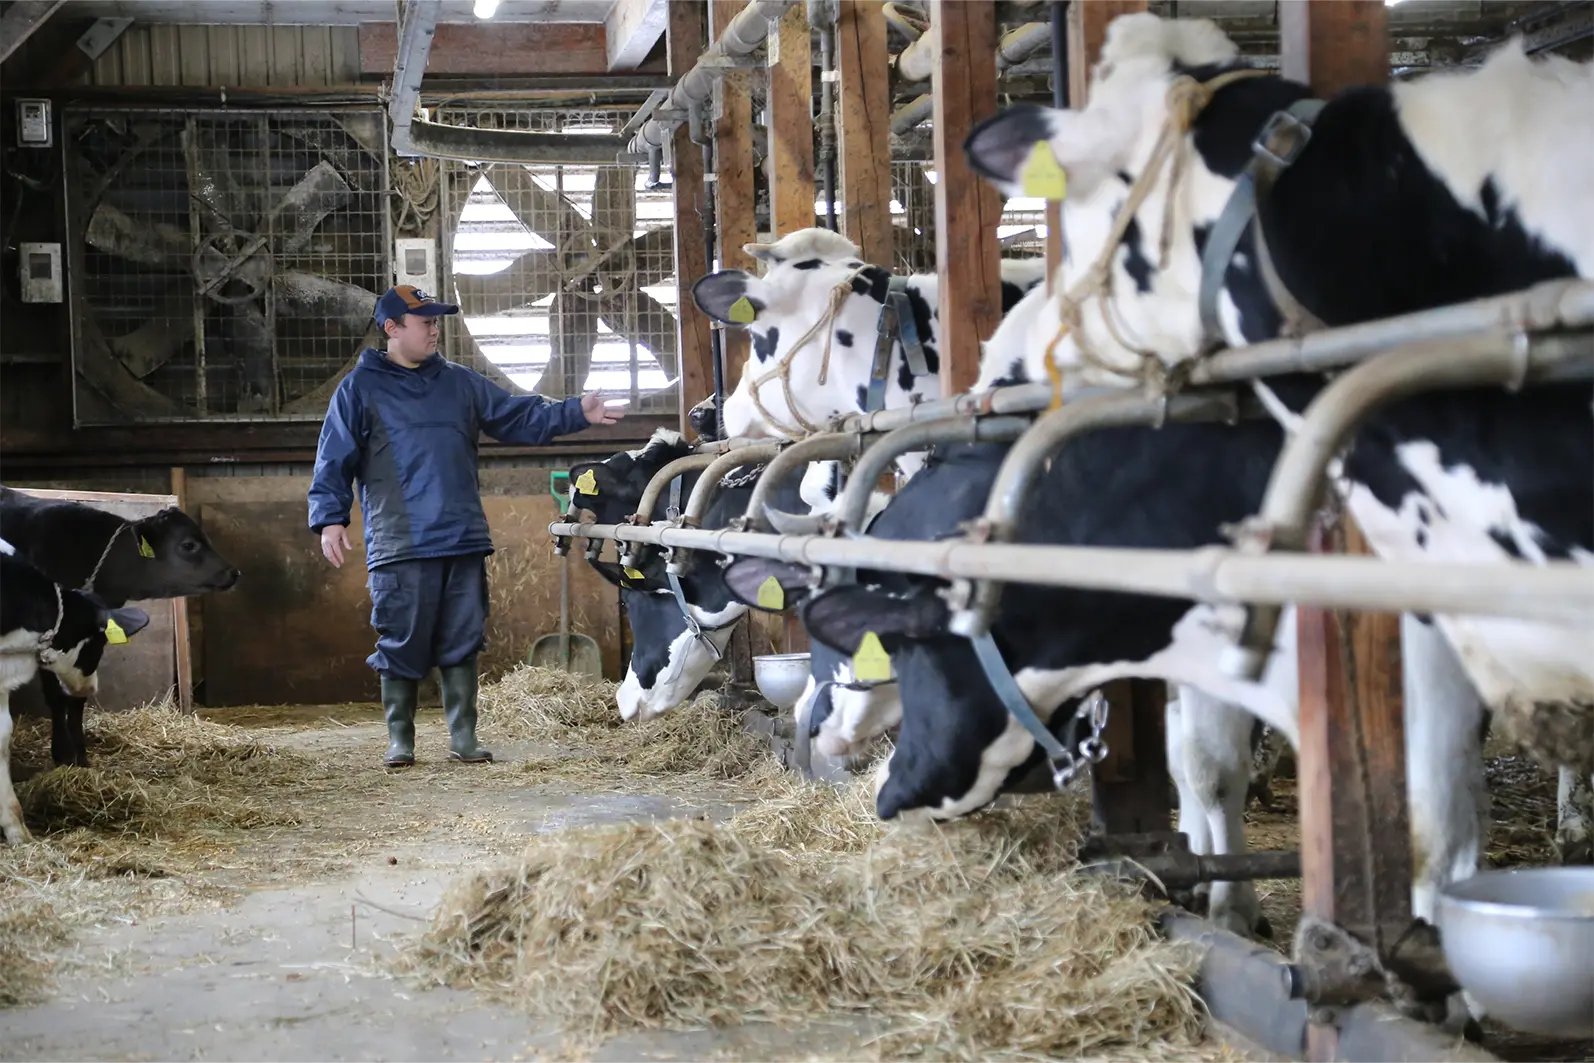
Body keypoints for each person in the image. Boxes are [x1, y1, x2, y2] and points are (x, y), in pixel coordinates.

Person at [308, 285, 623, 768]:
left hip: (460, 535)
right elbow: (334, 456)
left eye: (437, 321)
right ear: (392, 328)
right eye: (424, 321)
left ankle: (463, 736)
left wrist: (575, 412)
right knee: (400, 637)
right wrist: (329, 518)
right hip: (401, 541)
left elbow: (517, 416)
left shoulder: (460, 383)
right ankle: (401, 739)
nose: (434, 329)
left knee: (463, 635)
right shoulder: (359, 388)